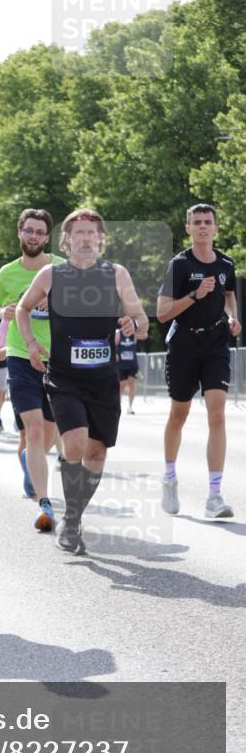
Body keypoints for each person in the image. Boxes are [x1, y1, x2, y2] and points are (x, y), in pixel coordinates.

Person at [18, 208, 149, 555]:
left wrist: (133, 325)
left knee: (97, 450)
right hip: (64, 376)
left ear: (101, 239)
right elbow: (22, 308)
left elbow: (142, 319)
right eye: (79, 233)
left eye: (92, 233)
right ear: (67, 239)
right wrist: (31, 343)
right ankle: (72, 521)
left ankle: (73, 516)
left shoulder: (116, 274)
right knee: (74, 445)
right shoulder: (51, 274)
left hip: (104, 379)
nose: (86, 238)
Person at [157, 203, 240, 518]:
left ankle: (215, 496)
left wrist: (232, 317)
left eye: (208, 222)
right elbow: (163, 312)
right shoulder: (178, 266)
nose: (203, 226)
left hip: (216, 343)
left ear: (216, 228)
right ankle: (169, 478)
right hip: (184, 344)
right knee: (179, 414)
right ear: (188, 228)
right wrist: (195, 296)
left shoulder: (225, 264)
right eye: (197, 222)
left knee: (217, 415)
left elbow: (229, 294)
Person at [0, 209, 64, 532]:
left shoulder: (62, 268)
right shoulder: (7, 273)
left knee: (49, 432)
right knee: (33, 430)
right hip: (20, 355)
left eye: (39, 232)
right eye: (28, 231)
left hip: (58, 358)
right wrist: (2, 310)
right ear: (20, 233)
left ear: (46, 237)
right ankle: (44, 504)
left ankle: (29, 463)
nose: (33, 236)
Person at [115, 325, 139, 414]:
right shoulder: (118, 334)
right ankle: (118, 405)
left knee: (132, 383)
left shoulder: (134, 333)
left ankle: (130, 407)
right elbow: (112, 344)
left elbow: (144, 335)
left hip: (132, 363)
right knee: (122, 385)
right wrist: (115, 354)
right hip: (121, 364)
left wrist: (137, 326)